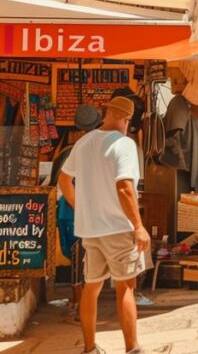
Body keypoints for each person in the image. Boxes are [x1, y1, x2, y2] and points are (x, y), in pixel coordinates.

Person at [57, 97, 151, 354]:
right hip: (118, 228)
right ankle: (132, 348)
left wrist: (80, 207)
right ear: (126, 119)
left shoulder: (84, 142)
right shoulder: (124, 144)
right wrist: (139, 226)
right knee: (125, 288)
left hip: (91, 229)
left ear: (106, 113)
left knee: (92, 287)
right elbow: (125, 187)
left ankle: (90, 348)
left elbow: (64, 180)